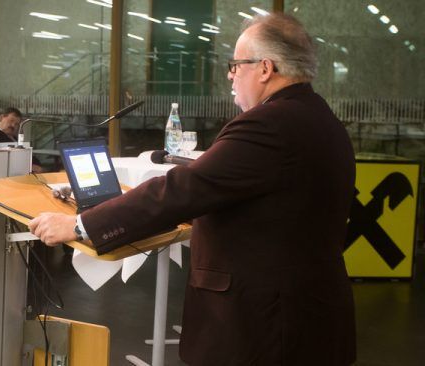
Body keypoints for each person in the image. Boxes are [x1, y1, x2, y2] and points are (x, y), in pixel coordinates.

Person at [29, 13, 356, 365]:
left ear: (265, 68)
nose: (230, 75)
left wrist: (80, 225)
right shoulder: (319, 116)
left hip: (265, 326)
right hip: (307, 313)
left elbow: (183, 190)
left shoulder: (270, 124)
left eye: (235, 65)